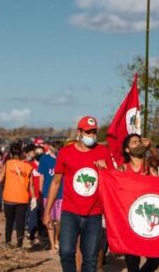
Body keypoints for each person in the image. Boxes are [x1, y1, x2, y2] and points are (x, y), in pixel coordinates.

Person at [43, 116, 113, 272]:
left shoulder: (103, 152)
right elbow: (55, 182)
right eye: (88, 132)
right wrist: (47, 211)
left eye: (94, 132)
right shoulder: (66, 152)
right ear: (79, 132)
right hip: (70, 213)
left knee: (90, 258)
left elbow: (113, 182)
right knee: (66, 251)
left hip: (95, 213)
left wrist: (106, 169)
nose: (92, 135)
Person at [119, 133, 159, 272]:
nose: (138, 143)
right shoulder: (123, 169)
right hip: (130, 218)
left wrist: (151, 147)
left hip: (149, 217)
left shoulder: (149, 164)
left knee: (156, 257)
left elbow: (157, 158)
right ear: (127, 149)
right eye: (134, 142)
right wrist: (136, 183)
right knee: (132, 261)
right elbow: (118, 191)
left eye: (139, 141)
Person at [0, 141, 35, 248]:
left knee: (9, 222)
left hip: (8, 198)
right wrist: (34, 198)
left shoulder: (7, 164)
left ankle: (8, 243)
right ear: (22, 153)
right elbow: (31, 185)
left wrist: (7, 183)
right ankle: (19, 245)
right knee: (20, 223)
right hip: (22, 199)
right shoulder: (28, 167)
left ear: (10, 153)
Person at [39, 140, 64, 253]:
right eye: (56, 148)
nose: (58, 150)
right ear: (51, 148)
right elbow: (42, 176)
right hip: (47, 194)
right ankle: (52, 245)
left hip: (61, 194)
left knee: (59, 221)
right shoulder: (45, 159)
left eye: (60, 148)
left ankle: (57, 238)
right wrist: (41, 192)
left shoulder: (63, 158)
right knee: (49, 220)